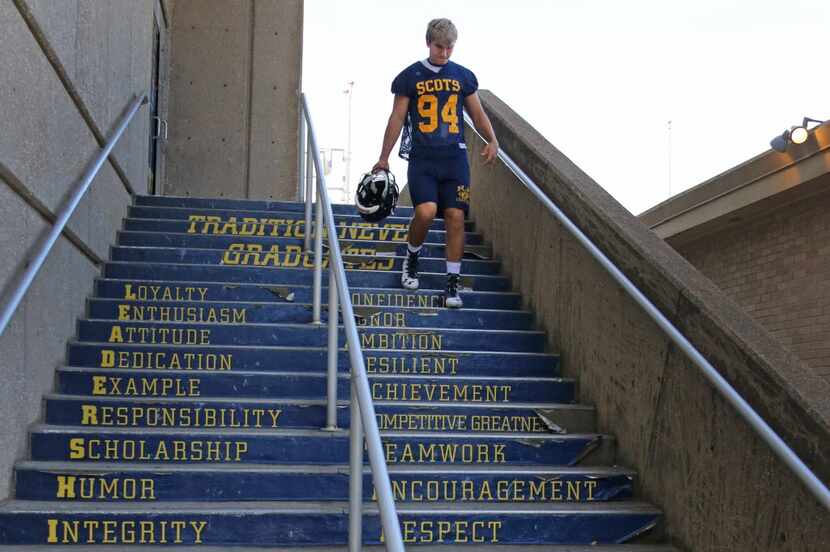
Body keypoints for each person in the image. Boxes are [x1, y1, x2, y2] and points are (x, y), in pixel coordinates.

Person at [372, 18, 499, 309]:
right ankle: (412, 256)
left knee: (456, 216)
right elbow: (397, 117)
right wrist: (383, 157)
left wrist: (492, 139)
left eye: (449, 48)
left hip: (455, 158)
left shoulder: (463, 76)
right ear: (428, 43)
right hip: (423, 157)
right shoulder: (411, 76)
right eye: (439, 46)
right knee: (426, 212)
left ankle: (452, 284)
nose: (444, 53)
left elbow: (477, 114)